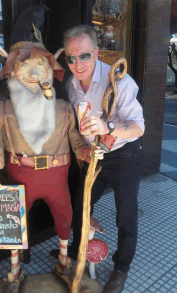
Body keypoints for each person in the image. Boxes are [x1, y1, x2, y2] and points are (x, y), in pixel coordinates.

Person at [51, 24, 144, 293]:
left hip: (124, 154)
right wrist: (81, 147)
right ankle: (78, 253)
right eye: (70, 58)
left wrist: (109, 127)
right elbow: (79, 128)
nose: (77, 64)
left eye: (84, 56)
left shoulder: (120, 81)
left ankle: (121, 269)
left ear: (96, 52)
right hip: (96, 156)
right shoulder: (71, 85)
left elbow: (139, 128)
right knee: (81, 204)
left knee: (125, 216)